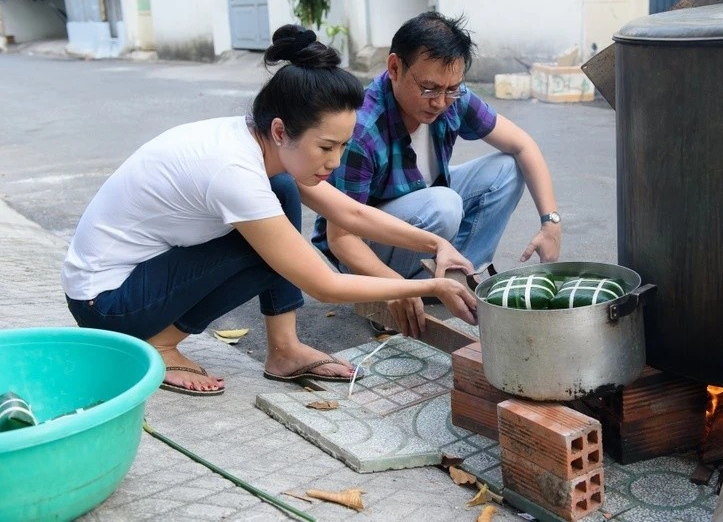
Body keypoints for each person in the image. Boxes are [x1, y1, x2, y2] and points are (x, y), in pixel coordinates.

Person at [61, 25, 477, 397]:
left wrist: (437, 244)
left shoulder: (256, 142)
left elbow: (352, 215)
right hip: (107, 305)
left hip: (137, 277)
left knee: (282, 192)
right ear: (281, 130)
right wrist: (428, 287)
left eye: (343, 146)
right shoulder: (234, 172)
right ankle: (162, 345)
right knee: (272, 245)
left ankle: (285, 350)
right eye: (326, 147)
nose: (334, 162)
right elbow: (322, 284)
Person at [312, 12, 561, 335]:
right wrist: (393, 287)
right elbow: (341, 239)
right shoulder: (362, 128)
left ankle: (458, 278)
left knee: (507, 168)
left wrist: (551, 222)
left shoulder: (452, 98)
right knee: (443, 204)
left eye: (452, 89)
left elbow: (523, 145)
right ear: (394, 68)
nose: (441, 102)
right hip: (364, 249)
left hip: (422, 209)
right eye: (429, 89)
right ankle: (392, 295)